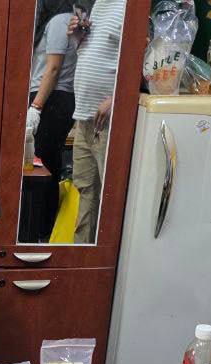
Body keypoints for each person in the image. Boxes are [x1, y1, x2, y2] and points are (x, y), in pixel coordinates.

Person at [68, 0, 126, 245]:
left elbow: (147, 59)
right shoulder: (99, 4)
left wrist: (117, 97)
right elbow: (91, 53)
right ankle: (81, 259)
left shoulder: (129, 7)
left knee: (111, 197)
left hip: (111, 122)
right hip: (84, 117)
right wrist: (78, 38)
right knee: (85, 192)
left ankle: (105, 262)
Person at [26, 0, 82, 240]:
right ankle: (44, 229)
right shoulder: (56, 21)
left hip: (53, 99)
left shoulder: (61, 21)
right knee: (47, 163)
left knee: (42, 166)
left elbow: (53, 69)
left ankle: (40, 231)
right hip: (50, 98)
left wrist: (36, 107)